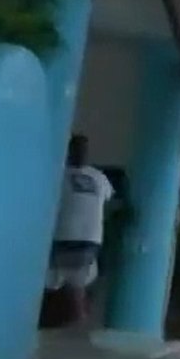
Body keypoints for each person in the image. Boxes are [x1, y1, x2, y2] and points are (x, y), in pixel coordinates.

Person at [43, 134, 115, 329]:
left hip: (78, 239)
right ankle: (74, 322)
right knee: (73, 285)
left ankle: (73, 322)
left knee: (70, 284)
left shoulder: (95, 177)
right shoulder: (90, 177)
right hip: (76, 239)